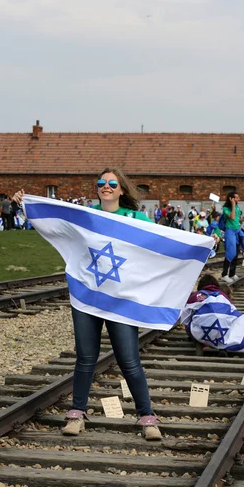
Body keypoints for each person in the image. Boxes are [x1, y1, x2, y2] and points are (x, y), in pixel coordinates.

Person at [61, 168, 162, 441]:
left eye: (112, 183)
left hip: (121, 300)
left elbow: (159, 247)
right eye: (101, 183)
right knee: (85, 359)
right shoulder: (86, 217)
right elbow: (55, 226)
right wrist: (26, 204)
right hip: (88, 298)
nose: (106, 186)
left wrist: (198, 245)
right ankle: (77, 413)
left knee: (129, 361)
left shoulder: (137, 218)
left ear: (121, 190)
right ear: (97, 188)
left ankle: (147, 418)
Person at [220, 192, 244, 283]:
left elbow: (236, 218)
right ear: (231, 199)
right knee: (230, 253)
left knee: (236, 253)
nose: (238, 199)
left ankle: (232, 273)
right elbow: (231, 217)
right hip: (230, 231)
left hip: (237, 231)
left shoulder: (237, 207)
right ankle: (224, 274)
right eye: (236, 198)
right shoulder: (225, 208)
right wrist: (232, 205)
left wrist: (243, 219)